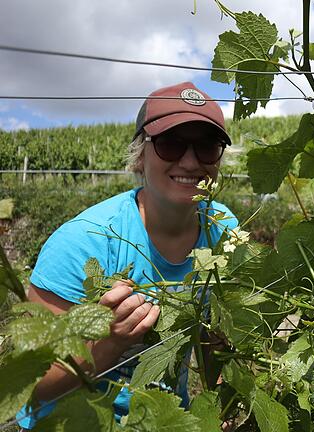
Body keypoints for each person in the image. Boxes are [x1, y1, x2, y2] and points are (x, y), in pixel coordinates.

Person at [16, 81, 238, 428]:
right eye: (171, 143)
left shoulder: (223, 228)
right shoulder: (83, 243)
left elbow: (215, 335)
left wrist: (221, 400)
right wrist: (109, 342)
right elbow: (30, 387)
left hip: (162, 420)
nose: (191, 160)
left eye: (208, 146)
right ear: (140, 155)